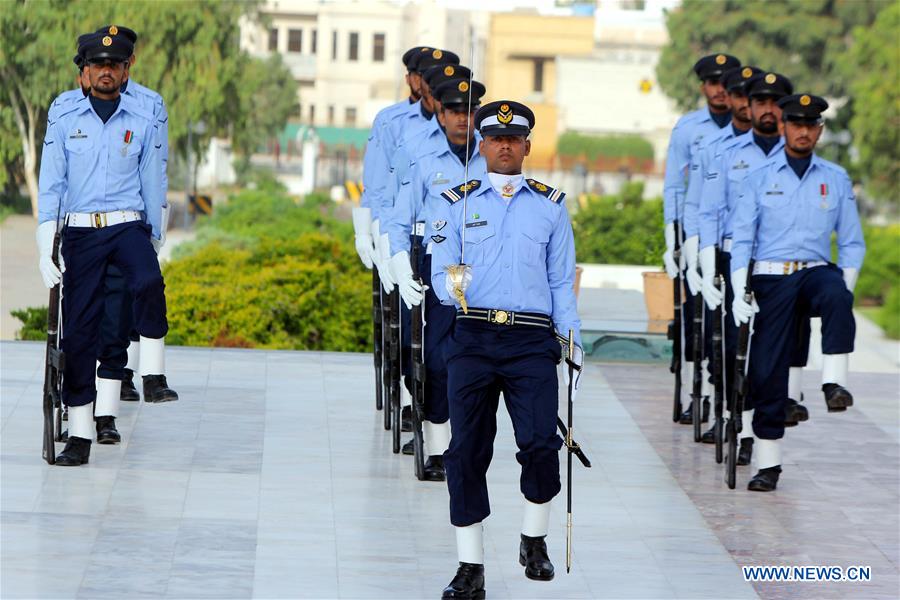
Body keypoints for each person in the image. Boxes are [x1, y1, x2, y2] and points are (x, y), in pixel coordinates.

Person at [430, 100, 581, 598]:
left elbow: (561, 281)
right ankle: (469, 566)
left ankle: (533, 537)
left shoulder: (552, 205)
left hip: (531, 340)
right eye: (495, 138)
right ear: (482, 144)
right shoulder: (458, 202)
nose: (504, 146)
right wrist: (456, 285)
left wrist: (572, 340)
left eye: (514, 139)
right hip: (472, 336)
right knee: (466, 451)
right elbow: (440, 269)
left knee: (541, 444)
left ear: (527, 147)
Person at [36, 30, 167, 466]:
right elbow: (52, 184)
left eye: (115, 65)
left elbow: (153, 184)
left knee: (149, 281)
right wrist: (44, 245)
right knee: (78, 335)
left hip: (128, 225)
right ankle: (79, 437)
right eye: (98, 65)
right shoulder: (64, 115)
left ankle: (152, 374)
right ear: (84, 73)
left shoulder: (140, 118)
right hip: (80, 232)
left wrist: (154, 239)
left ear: (127, 70)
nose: (106, 72)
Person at [729, 94, 865, 491]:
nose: (804, 131)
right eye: (796, 124)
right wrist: (740, 290)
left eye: (811, 125)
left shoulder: (835, 178)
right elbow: (742, 240)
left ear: (819, 131)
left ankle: (834, 383)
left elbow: (852, 243)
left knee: (836, 292)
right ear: (785, 127)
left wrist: (847, 286)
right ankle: (768, 464)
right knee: (766, 369)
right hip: (772, 279)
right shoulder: (759, 177)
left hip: (816, 272)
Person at [383, 76, 488, 480]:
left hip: (486, 266)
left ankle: (470, 441)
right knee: (438, 358)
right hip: (442, 266)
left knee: (481, 357)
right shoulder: (422, 156)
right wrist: (397, 263)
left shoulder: (489, 155)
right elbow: (399, 217)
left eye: (470, 111)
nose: (464, 119)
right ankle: (440, 448)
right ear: (441, 115)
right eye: (455, 111)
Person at [693, 70, 793, 456]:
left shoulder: (797, 153)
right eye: (760, 101)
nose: (767, 109)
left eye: (775, 103)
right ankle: (736, 416)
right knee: (734, 345)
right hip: (734, 256)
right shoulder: (727, 153)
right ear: (747, 106)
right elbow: (709, 213)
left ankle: (762, 421)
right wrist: (705, 264)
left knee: (770, 348)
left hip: (780, 262)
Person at [662, 53, 741, 424]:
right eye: (712, 82)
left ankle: (724, 394)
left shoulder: (748, 128)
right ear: (703, 87)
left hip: (732, 239)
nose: (719, 89)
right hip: (695, 236)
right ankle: (700, 394)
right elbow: (675, 188)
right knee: (698, 320)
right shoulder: (689, 128)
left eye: (726, 82)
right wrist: (672, 238)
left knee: (725, 325)